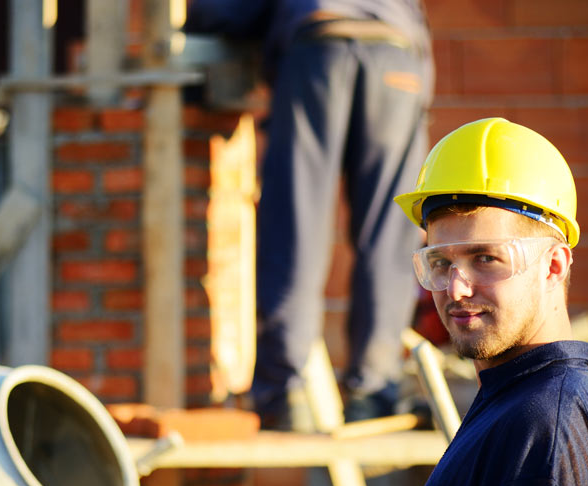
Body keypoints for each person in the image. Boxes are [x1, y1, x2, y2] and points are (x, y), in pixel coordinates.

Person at [391, 117, 588, 486]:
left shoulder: (542, 422)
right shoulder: (523, 402)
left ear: (553, 265)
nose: (457, 288)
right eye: (441, 262)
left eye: (486, 258)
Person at [184, 1, 434, 429]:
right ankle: (374, 390)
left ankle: (287, 392)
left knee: (297, 226)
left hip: (320, 47)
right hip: (398, 57)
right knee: (391, 238)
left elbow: (228, 12)